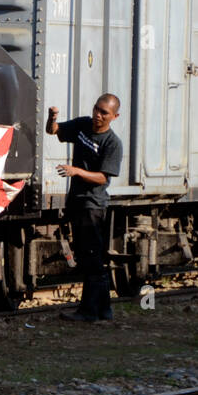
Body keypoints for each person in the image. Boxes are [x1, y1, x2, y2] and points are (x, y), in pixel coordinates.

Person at [46, 95, 122, 322]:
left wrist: (76, 171)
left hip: (93, 205)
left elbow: (102, 178)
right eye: (96, 109)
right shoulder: (82, 125)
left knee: (92, 258)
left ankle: (89, 311)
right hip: (77, 202)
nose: (98, 115)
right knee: (88, 257)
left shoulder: (112, 143)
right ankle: (104, 310)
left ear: (114, 116)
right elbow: (55, 131)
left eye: (104, 113)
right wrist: (52, 118)